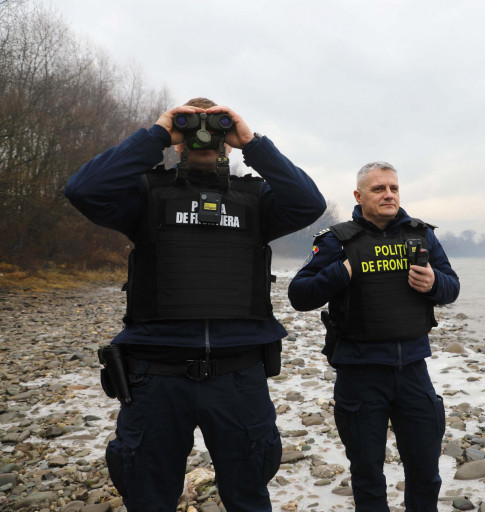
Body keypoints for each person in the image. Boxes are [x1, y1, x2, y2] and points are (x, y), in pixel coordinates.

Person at [64, 97, 326, 512]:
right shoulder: (146, 194)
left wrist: (252, 142)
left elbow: (309, 203)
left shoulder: (257, 200)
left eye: (217, 129)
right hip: (156, 376)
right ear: (178, 142)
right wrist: (156, 136)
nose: (205, 136)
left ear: (228, 143)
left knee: (248, 497)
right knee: (148, 497)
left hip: (238, 375)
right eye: (190, 128)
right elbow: (83, 190)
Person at [288, 161, 460, 512]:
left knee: (426, 473)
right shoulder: (337, 240)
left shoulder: (421, 235)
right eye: (379, 189)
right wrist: (339, 272)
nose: (388, 194)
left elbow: (452, 286)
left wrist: (434, 284)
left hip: (412, 371)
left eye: (394, 188)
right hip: (360, 375)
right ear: (359, 195)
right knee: (367, 474)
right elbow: (299, 295)